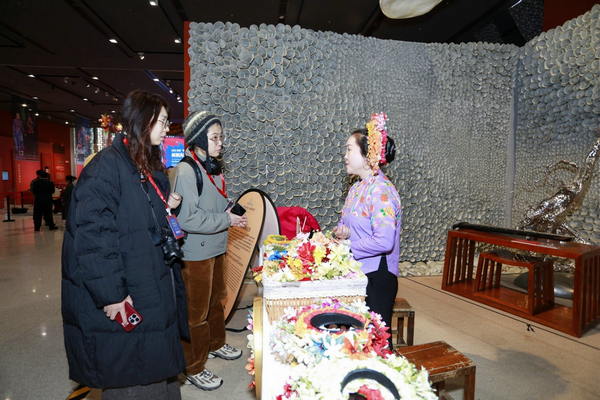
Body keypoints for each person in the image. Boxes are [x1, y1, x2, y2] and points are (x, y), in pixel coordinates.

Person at [61, 90, 187, 399]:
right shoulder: (106, 167)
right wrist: (112, 294)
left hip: (148, 278)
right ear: (142, 121)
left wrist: (166, 207)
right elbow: (94, 238)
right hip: (127, 288)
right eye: (162, 121)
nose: (166, 129)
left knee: (156, 363)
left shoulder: (144, 164)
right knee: (132, 368)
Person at [173, 111, 247, 391]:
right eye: (214, 137)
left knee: (216, 300)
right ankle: (193, 366)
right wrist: (227, 220)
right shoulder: (187, 170)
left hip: (216, 246)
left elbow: (210, 204)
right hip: (196, 254)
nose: (220, 142)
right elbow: (187, 219)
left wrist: (229, 213)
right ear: (199, 140)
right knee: (195, 313)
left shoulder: (211, 167)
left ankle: (215, 343)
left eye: (220, 137)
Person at [333, 112, 402, 348]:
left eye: (349, 150)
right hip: (358, 272)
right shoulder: (357, 188)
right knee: (356, 340)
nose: (345, 156)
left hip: (377, 277)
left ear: (367, 156)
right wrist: (343, 233)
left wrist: (346, 248)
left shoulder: (381, 191)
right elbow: (351, 226)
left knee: (375, 343)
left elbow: (384, 241)